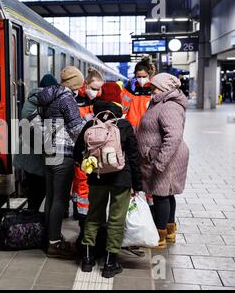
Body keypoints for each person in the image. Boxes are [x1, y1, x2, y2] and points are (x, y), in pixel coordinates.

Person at [73, 82, 142, 278]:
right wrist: (137, 184)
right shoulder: (124, 124)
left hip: (96, 178)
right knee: (116, 220)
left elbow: (77, 154)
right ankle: (110, 263)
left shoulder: (90, 124)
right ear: (119, 102)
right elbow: (134, 158)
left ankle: (87, 259)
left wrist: (90, 166)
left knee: (93, 216)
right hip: (121, 179)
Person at [37, 66, 86, 259]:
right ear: (75, 84)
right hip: (63, 153)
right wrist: (89, 126)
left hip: (49, 151)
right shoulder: (67, 100)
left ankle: (50, 238)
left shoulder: (50, 98)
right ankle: (55, 244)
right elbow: (76, 129)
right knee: (60, 199)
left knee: (51, 197)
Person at [137, 73, 189, 249]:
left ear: (164, 88)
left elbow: (173, 136)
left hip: (165, 158)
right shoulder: (160, 102)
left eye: (154, 88)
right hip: (160, 156)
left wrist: (160, 162)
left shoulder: (169, 107)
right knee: (166, 193)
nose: (151, 91)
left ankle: (159, 237)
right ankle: (170, 231)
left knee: (161, 195)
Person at [13, 74, 58, 211]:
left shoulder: (30, 101)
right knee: (42, 192)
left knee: (34, 193)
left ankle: (32, 221)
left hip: (28, 154)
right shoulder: (49, 101)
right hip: (40, 154)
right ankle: (38, 224)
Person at [72, 68, 105, 249]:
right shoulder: (76, 102)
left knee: (90, 190)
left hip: (96, 152)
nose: (96, 92)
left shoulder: (99, 101)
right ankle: (83, 229)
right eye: (93, 88)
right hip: (83, 152)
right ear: (86, 85)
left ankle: (89, 231)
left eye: (99, 89)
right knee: (82, 188)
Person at [123, 57, 156, 132]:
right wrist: (130, 91)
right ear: (135, 76)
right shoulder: (128, 89)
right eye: (139, 77)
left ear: (149, 75)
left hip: (148, 131)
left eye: (144, 77)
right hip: (132, 131)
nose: (141, 79)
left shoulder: (155, 89)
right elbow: (123, 110)